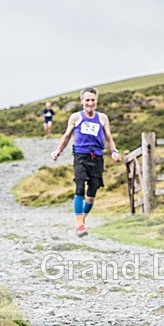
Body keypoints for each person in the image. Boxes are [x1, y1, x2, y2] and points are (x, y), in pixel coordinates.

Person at [51, 87, 120, 237]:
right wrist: (58, 151)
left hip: (97, 157)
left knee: (92, 193)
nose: (90, 103)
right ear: (82, 101)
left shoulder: (102, 118)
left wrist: (114, 151)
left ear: (96, 101)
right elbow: (67, 136)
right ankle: (79, 224)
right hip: (81, 156)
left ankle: (81, 220)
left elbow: (108, 137)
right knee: (80, 187)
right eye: (87, 100)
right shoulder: (76, 117)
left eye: (92, 100)